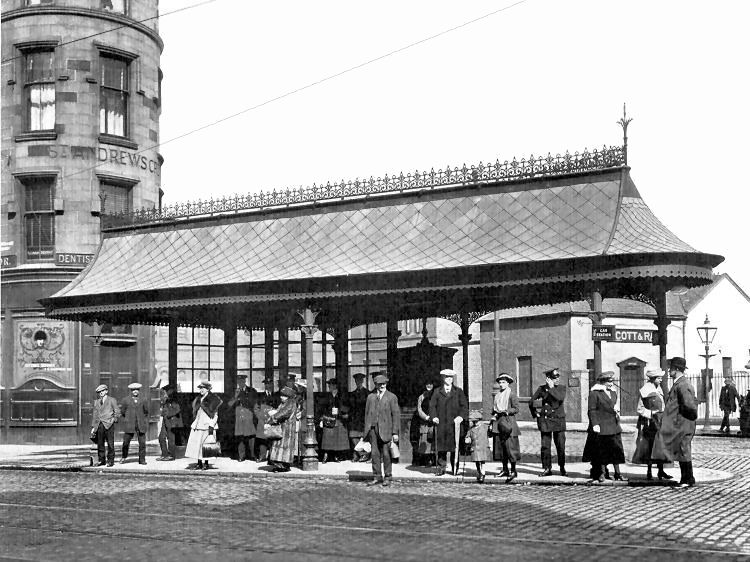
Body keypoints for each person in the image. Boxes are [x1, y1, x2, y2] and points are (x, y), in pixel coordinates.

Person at [652, 357, 699, 488]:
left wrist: (680, 419)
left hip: (683, 424)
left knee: (684, 451)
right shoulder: (680, 383)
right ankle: (688, 478)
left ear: (677, 369)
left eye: (671, 368)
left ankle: (687, 479)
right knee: (682, 450)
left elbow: (689, 405)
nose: (669, 370)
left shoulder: (683, 384)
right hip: (682, 423)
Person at [582, 372, 626, 482]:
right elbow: (592, 410)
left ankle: (617, 473)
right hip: (602, 426)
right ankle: (602, 473)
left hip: (614, 425)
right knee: (602, 451)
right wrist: (595, 424)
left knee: (616, 451)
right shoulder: (595, 393)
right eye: (609, 382)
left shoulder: (613, 392)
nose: (611, 384)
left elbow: (613, 405)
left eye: (612, 382)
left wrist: (616, 411)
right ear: (602, 382)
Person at [631, 369, 672, 481]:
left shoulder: (658, 389)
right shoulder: (645, 391)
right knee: (650, 446)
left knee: (661, 446)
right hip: (650, 423)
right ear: (653, 378)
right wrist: (651, 413)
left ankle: (661, 471)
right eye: (659, 378)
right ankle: (649, 471)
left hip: (660, 421)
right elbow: (640, 409)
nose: (661, 380)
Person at [429, 369, 468, 476]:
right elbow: (432, 406)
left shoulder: (458, 391)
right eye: (447, 377)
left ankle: (455, 467)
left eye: (451, 378)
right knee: (441, 447)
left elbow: (464, 406)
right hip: (441, 423)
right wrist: (434, 417)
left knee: (454, 446)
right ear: (443, 378)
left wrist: (460, 416)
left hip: (454, 424)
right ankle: (441, 468)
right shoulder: (437, 391)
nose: (449, 380)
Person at [363, 374, 401, 487]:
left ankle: (388, 477)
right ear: (375, 385)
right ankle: (376, 476)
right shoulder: (370, 397)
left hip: (386, 431)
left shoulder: (391, 397)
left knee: (386, 454)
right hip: (373, 430)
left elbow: (396, 415)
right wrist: (366, 432)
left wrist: (395, 432)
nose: (382, 386)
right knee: (374, 454)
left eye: (384, 384)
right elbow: (367, 415)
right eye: (380, 384)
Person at [529, 368, 567, 477]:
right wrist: (535, 413)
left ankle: (562, 467)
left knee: (560, 446)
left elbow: (559, 399)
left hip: (558, 421)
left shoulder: (561, 388)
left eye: (558, 377)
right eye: (554, 378)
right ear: (548, 379)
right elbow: (531, 401)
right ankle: (547, 468)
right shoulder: (541, 389)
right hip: (545, 421)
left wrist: (551, 388)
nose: (557, 380)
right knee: (545, 447)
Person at [185, 381, 222, 470]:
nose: (201, 390)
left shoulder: (213, 399)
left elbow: (215, 414)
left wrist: (212, 425)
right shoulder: (198, 399)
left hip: (207, 425)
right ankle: (199, 463)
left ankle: (206, 463)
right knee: (197, 445)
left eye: (203, 388)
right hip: (198, 425)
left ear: (208, 389)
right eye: (200, 388)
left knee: (206, 445)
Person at [491, 373, 521, 483]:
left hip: (508, 423)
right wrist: (493, 417)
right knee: (501, 448)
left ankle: (513, 470)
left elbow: (516, 408)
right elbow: (494, 409)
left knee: (510, 448)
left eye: (503, 382)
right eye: (500, 382)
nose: (501, 384)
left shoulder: (511, 394)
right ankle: (505, 469)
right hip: (499, 423)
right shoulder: (497, 395)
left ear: (508, 383)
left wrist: (507, 411)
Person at [267, 386, 299, 472]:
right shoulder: (284, 403)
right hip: (283, 428)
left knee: (284, 446)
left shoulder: (290, 403)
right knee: (280, 446)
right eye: (281, 395)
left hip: (286, 428)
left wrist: (272, 418)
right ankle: (281, 465)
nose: (281, 397)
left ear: (288, 396)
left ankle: (283, 465)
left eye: (284, 396)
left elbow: (284, 413)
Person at [319, 378, 350, 462]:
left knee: (337, 438)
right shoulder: (327, 396)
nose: (330, 386)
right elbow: (322, 407)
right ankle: (326, 455)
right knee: (327, 438)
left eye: (331, 385)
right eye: (329, 385)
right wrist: (322, 417)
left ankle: (336, 455)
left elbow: (345, 405)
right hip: (328, 418)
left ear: (335, 386)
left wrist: (341, 411)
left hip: (338, 418)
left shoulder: (341, 395)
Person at [228, 377, 258, 462]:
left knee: (251, 437)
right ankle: (241, 455)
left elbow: (254, 403)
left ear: (245, 381)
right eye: (239, 382)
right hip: (238, 417)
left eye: (242, 381)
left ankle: (252, 455)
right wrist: (235, 396)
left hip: (248, 416)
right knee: (240, 437)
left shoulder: (252, 390)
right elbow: (229, 405)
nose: (240, 383)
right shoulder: (234, 391)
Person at [119, 382, 149, 465]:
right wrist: (128, 419)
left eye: (137, 390)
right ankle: (124, 457)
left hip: (140, 425)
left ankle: (142, 460)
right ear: (131, 391)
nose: (135, 391)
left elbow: (146, 411)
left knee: (142, 443)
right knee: (125, 443)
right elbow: (123, 412)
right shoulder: (125, 400)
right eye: (133, 390)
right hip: (130, 424)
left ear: (139, 390)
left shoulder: (143, 399)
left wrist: (142, 420)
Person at [91, 384, 119, 467]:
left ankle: (110, 461)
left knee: (110, 444)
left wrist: (113, 420)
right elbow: (95, 415)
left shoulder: (112, 400)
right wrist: (93, 427)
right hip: (100, 425)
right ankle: (101, 460)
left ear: (106, 391)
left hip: (109, 424)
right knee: (100, 443)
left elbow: (117, 411)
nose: (101, 393)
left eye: (102, 391)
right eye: (99, 392)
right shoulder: (96, 402)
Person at [410, 380, 435, 467]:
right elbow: (419, 409)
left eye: (431, 384)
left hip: (434, 422)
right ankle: (425, 460)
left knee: (432, 441)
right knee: (424, 440)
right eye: (427, 384)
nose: (429, 385)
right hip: (424, 422)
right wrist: (426, 417)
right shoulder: (421, 397)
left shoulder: (436, 395)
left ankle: (433, 460)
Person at [346, 373, 369, 462]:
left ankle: (358, 455)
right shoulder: (352, 394)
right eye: (356, 380)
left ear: (362, 381)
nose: (358, 382)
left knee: (363, 437)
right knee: (353, 436)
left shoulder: (367, 393)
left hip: (363, 418)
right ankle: (361, 454)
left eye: (360, 380)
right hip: (354, 418)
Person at [157, 384, 183, 461]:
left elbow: (177, 410)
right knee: (161, 437)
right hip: (165, 421)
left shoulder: (174, 399)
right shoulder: (166, 399)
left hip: (172, 421)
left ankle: (171, 455)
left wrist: (168, 415)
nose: (165, 392)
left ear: (170, 391)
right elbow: (164, 409)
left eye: (166, 391)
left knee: (171, 439)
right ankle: (164, 454)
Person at [464, 409, 491, 483]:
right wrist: (467, 439)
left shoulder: (485, 427)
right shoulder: (471, 429)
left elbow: (490, 433)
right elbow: (467, 436)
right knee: (477, 461)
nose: (474, 423)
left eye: (476, 421)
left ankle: (483, 473)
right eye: (473, 422)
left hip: (483, 446)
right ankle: (479, 472)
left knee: (482, 461)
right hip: (475, 447)